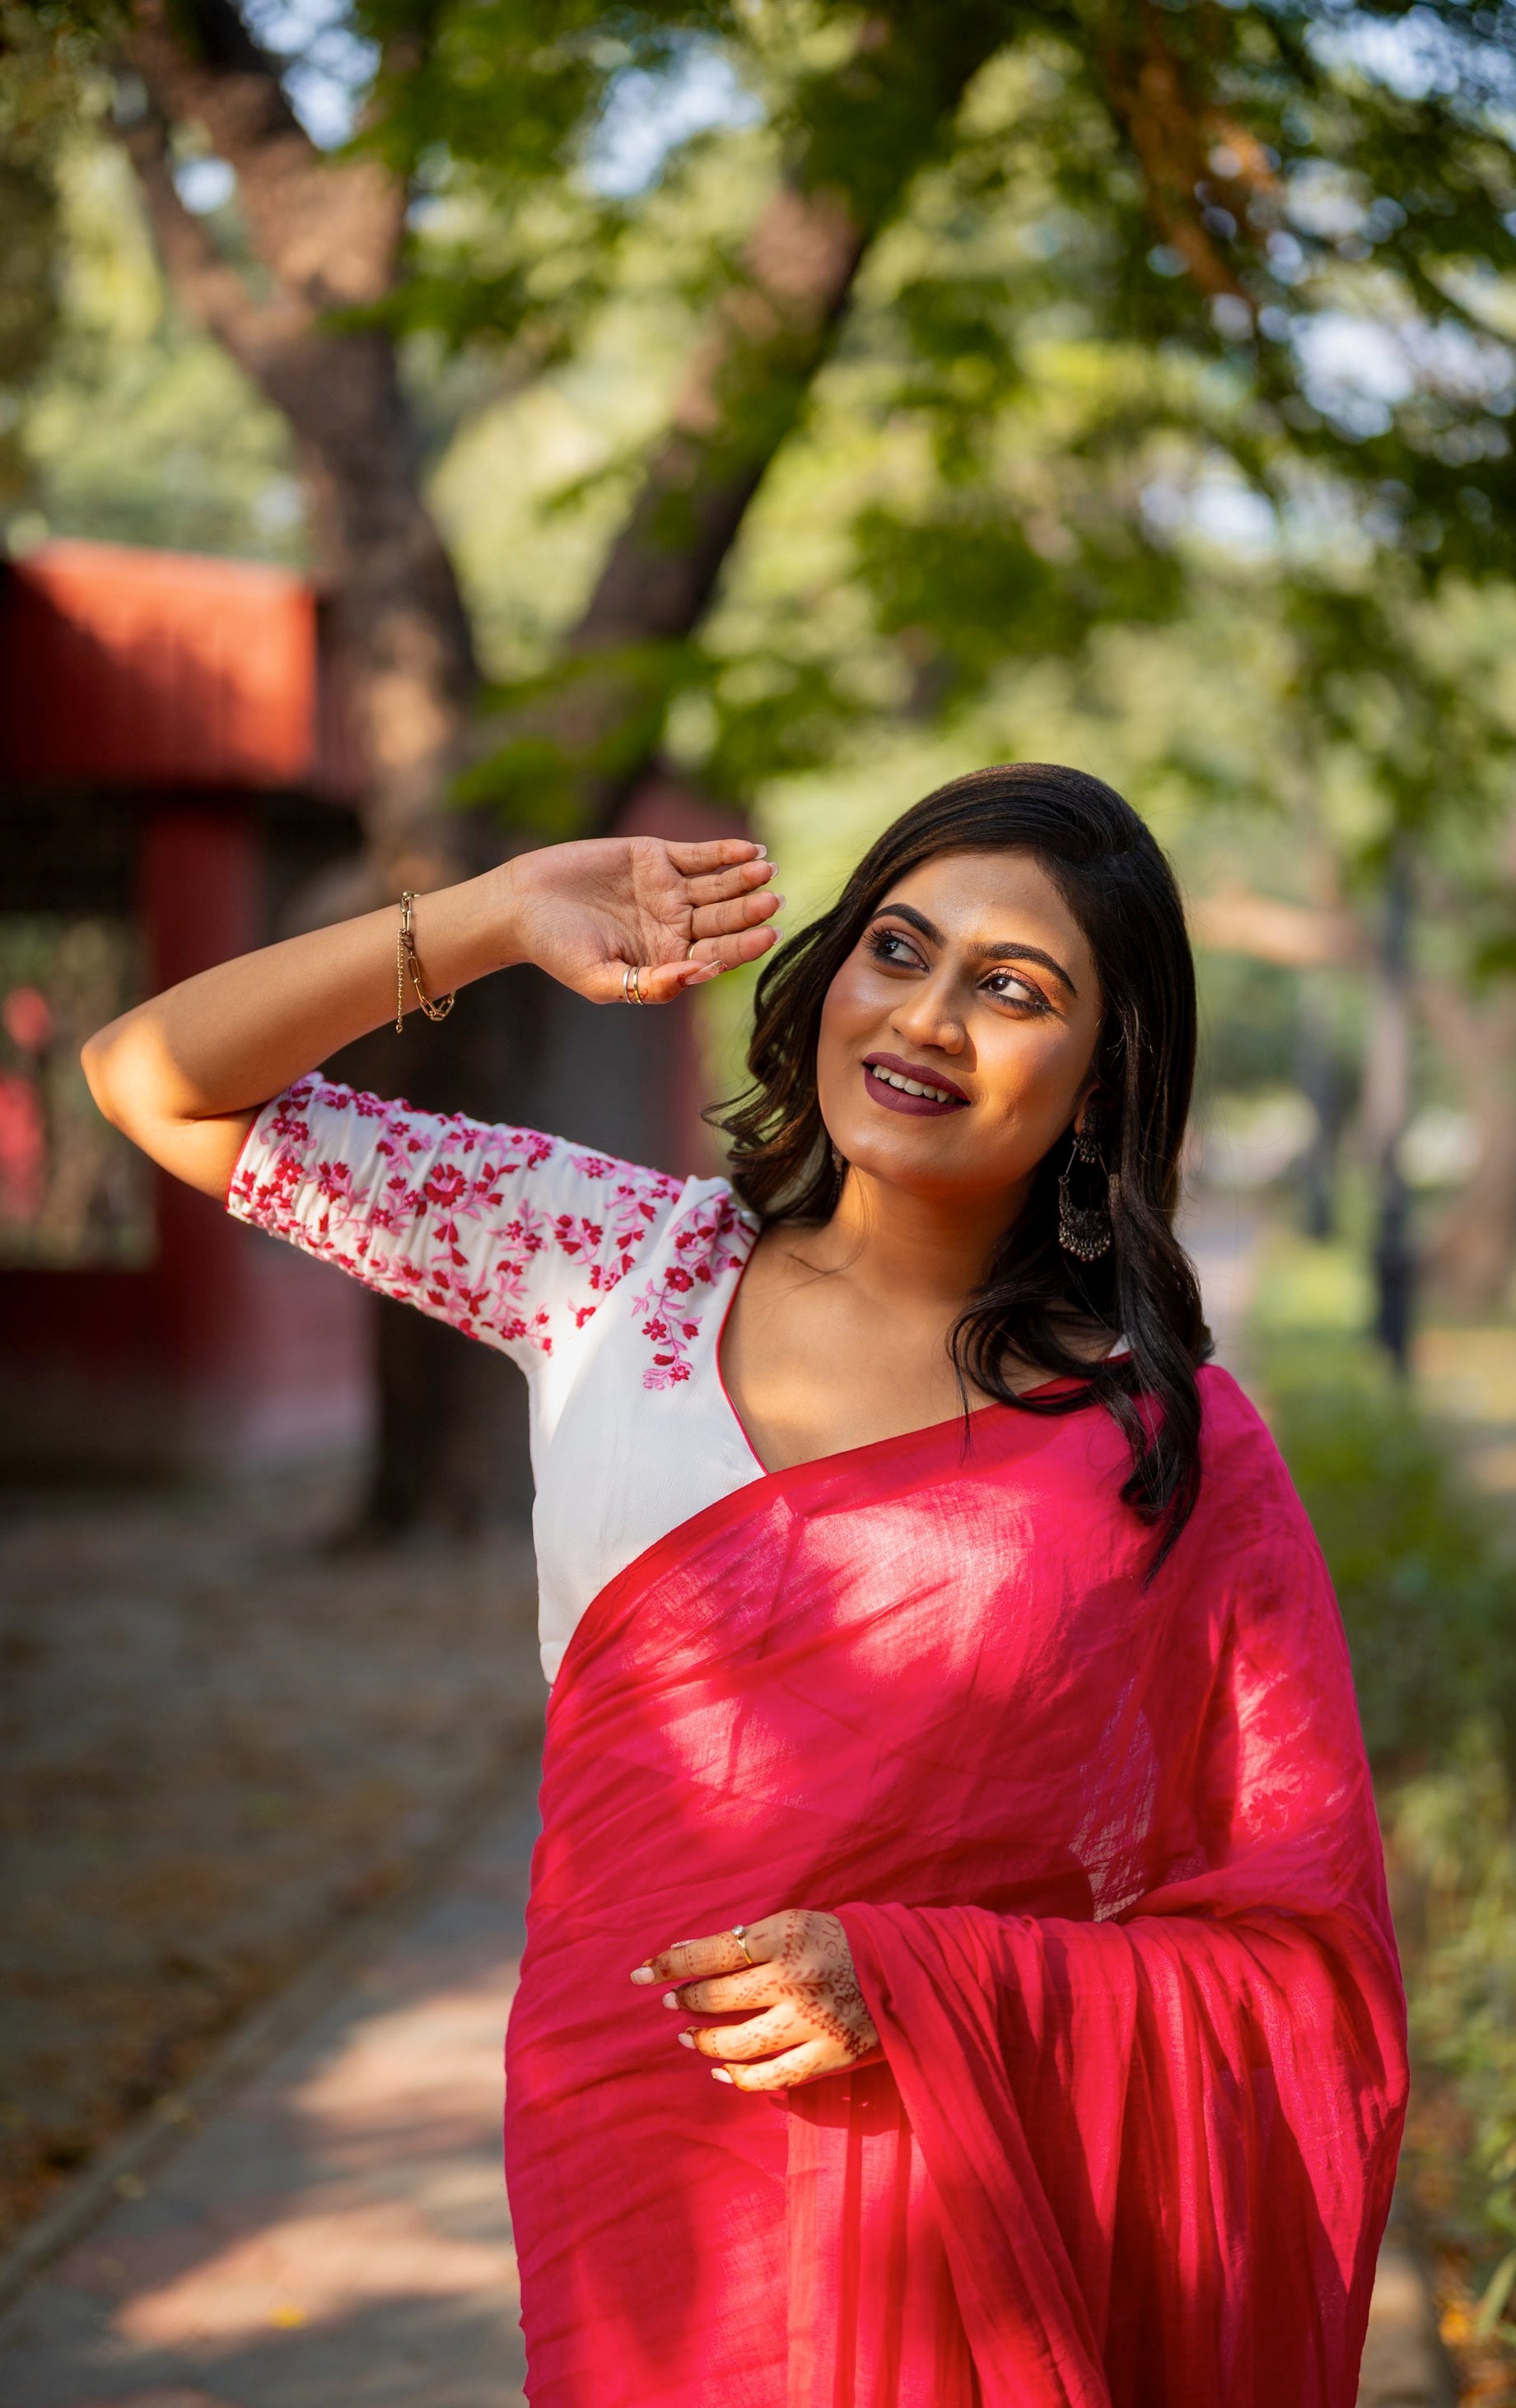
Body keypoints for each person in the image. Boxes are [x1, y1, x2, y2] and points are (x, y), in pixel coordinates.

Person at [84, 762, 1407, 2408]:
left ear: (1098, 1077)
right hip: (631, 2124)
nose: (926, 1019)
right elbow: (154, 1079)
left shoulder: (1168, 1439)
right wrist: (490, 916)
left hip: (964, 2177)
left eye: (1012, 989)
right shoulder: (609, 1257)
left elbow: (1302, 1954)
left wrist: (926, 1983)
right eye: (899, 950)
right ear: (833, 968)